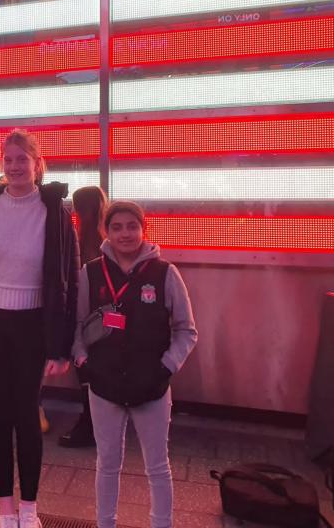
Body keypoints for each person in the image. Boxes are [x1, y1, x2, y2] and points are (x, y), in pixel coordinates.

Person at [0, 129, 79, 528]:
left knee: (26, 412)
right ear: (0, 165)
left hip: (31, 325)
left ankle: (30, 507)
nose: (14, 166)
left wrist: (60, 345)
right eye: (7, 160)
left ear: (37, 164)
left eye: (22, 159)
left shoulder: (55, 211)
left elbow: (69, 280)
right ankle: (5, 506)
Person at [73, 201, 197, 528]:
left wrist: (166, 367)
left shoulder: (165, 274)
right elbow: (78, 323)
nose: (125, 233)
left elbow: (186, 330)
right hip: (104, 385)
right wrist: (84, 360)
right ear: (106, 232)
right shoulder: (91, 273)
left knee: (158, 467)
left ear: (144, 229)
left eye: (131, 226)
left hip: (152, 386)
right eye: (117, 227)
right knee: (107, 465)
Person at [59, 186, 108, 448]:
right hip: (106, 323)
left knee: (86, 376)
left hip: (85, 322)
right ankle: (97, 425)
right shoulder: (107, 237)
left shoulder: (82, 240)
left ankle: (88, 426)